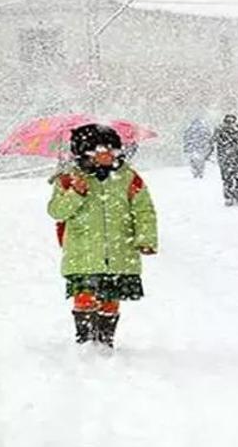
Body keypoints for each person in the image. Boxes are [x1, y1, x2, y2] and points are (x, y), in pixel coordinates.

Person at [48, 124, 158, 350]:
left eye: (112, 150)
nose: (109, 155)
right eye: (101, 150)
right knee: (85, 295)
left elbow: (144, 210)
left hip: (120, 252)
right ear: (85, 153)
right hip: (83, 251)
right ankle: (86, 340)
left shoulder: (128, 177)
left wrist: (145, 239)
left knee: (110, 297)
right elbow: (56, 211)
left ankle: (105, 339)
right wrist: (75, 193)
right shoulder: (69, 179)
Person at [208, 114, 238, 206]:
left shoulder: (219, 129)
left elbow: (211, 141)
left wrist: (209, 153)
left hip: (224, 157)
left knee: (227, 178)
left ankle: (229, 196)